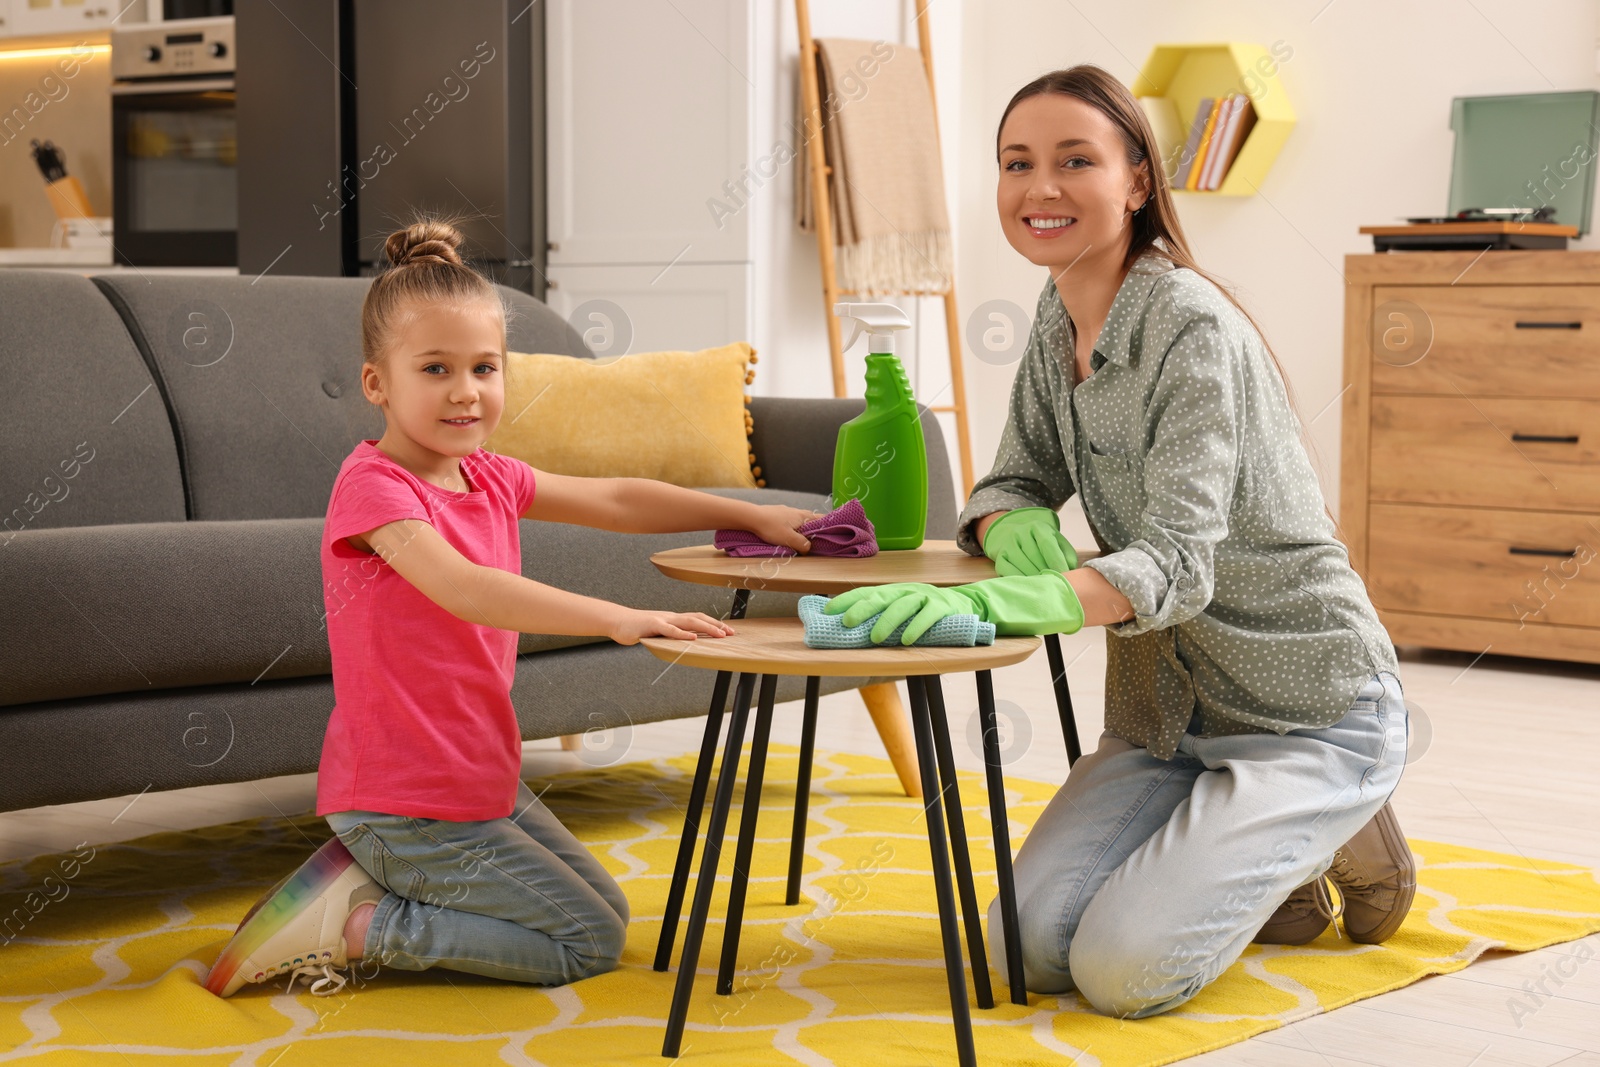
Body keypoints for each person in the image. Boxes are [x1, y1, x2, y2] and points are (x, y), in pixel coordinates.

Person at [823, 65, 1414, 1018]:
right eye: (1018, 163)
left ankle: (1342, 812)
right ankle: (1264, 856)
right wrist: (1010, 520)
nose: (1039, 188)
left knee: (1122, 974)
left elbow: (1177, 564)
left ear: (1137, 181)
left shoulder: (1191, 330)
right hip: (1167, 715)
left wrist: (987, 602)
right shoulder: (1061, 314)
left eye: (1074, 161)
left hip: (1305, 705)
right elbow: (1012, 476)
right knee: (1024, 951)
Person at [204, 219, 819, 998]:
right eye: (435, 368)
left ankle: (369, 883)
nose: (466, 390)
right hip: (404, 800)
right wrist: (617, 616)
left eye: (483, 367)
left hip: (472, 780)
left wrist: (749, 513)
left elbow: (616, 497)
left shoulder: (488, 474)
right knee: (586, 941)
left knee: (607, 908)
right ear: (377, 385)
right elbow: (464, 585)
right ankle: (362, 926)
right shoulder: (375, 489)